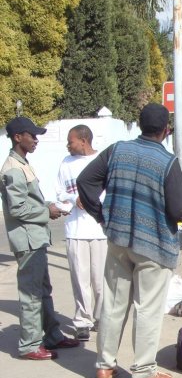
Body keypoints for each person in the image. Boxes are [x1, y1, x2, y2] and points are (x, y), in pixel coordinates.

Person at [77, 103, 182, 378]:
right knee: (148, 308)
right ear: (166, 130)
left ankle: (104, 366)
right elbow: (179, 210)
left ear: (140, 126)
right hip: (153, 246)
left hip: (117, 241)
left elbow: (85, 181)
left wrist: (101, 214)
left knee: (114, 304)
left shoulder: (116, 151)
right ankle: (142, 371)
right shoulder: (167, 162)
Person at [0, 117, 80, 359]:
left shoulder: (22, 163)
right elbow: (18, 209)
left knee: (43, 289)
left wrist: (48, 207)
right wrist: (47, 211)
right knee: (31, 293)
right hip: (27, 241)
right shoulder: (13, 168)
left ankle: (52, 336)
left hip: (35, 237)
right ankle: (30, 345)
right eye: (31, 135)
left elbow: (29, 201)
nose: (36, 140)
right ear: (17, 137)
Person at [55, 125, 107, 341]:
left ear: (84, 141)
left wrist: (92, 200)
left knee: (100, 280)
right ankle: (82, 321)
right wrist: (71, 201)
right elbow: (58, 192)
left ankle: (102, 318)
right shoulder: (66, 164)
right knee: (80, 279)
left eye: (71, 141)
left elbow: (110, 191)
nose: (68, 145)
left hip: (99, 230)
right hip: (75, 230)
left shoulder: (101, 162)